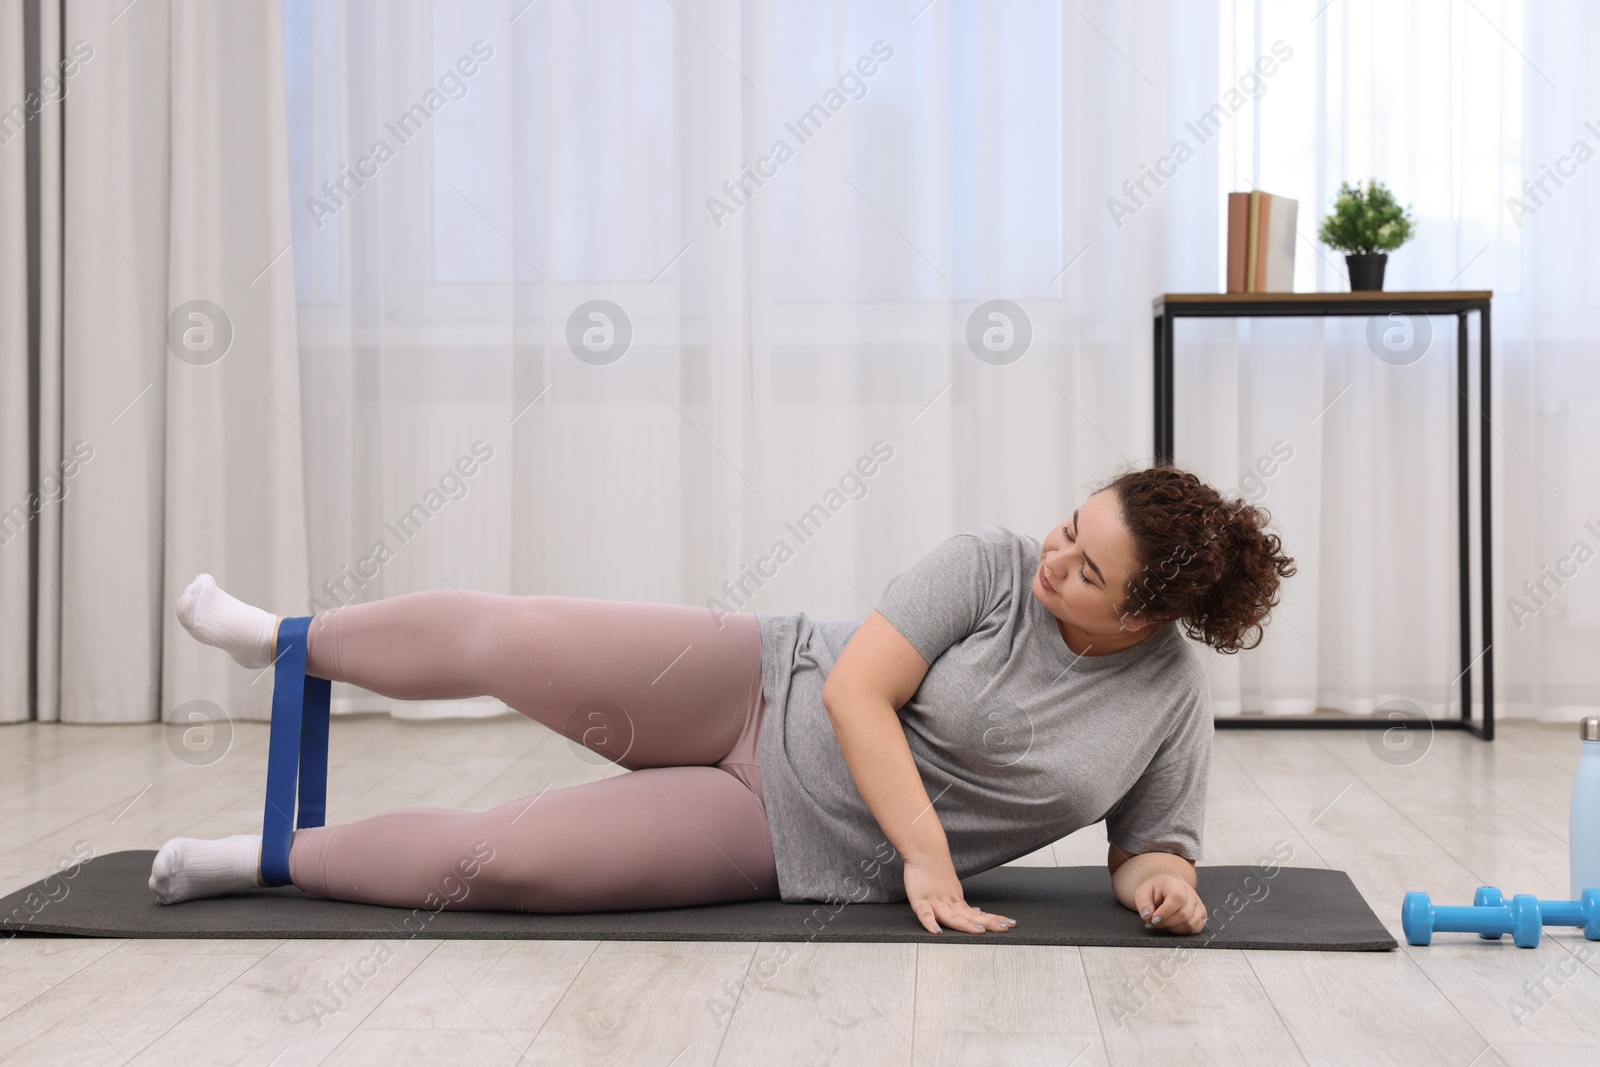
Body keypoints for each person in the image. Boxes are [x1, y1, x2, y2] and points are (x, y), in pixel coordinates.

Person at [150, 463, 1294, 937]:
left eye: (1086, 571)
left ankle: (264, 855)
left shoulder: (1163, 700)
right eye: (1068, 527)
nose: (1053, 560)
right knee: (507, 634)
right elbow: (856, 690)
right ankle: (281, 638)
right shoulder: (988, 564)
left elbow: (1154, 846)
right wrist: (927, 856)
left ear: (1145, 616)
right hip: (750, 681)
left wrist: (1162, 891)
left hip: (778, 832)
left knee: (500, 862)